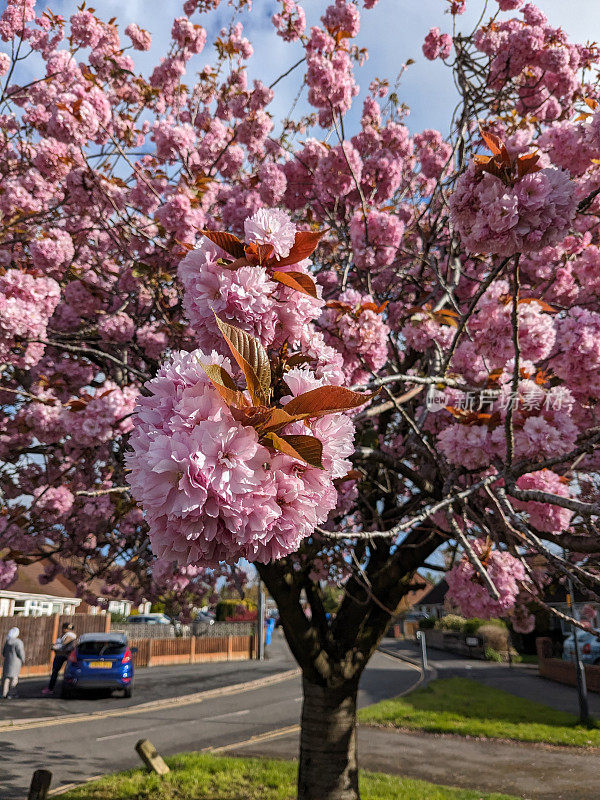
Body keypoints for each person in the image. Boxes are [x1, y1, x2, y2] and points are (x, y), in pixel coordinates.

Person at [42, 622, 76, 695]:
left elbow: (63, 645)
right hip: (62, 655)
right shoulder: (67, 635)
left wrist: (55, 647)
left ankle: (51, 688)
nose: (65, 630)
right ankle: (51, 688)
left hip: (62, 655)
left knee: (56, 672)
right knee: (58, 672)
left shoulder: (70, 635)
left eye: (66, 628)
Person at [2, 627, 25, 699]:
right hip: (16, 663)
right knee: (14, 679)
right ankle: (11, 694)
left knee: (6, 679)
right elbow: (21, 653)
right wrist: (23, 660)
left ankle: (4, 693)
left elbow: (3, 653)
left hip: (7, 662)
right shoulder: (18, 642)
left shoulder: (7, 641)